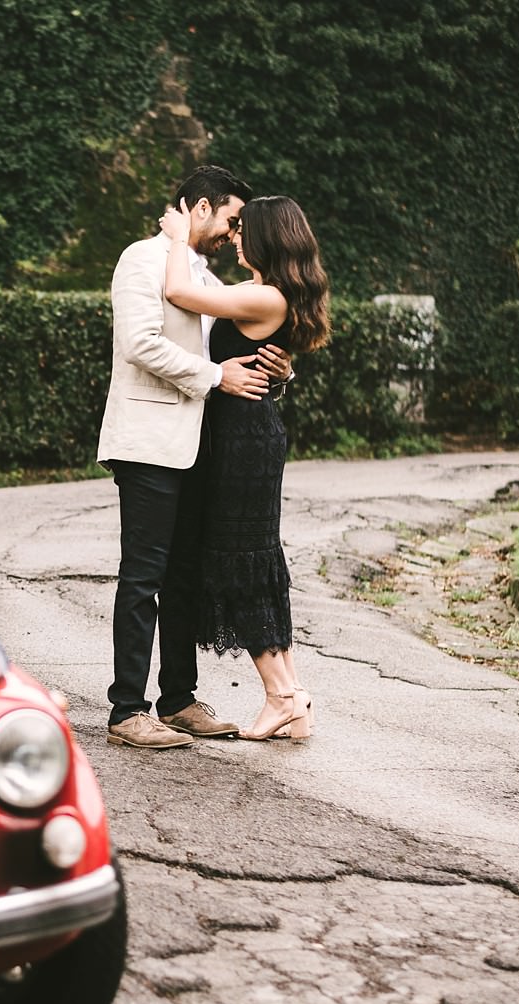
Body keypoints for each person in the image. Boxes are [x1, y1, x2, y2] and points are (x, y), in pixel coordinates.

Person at [97, 165, 290, 750]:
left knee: (185, 576)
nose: (235, 233)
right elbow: (141, 344)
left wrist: (277, 372)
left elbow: (234, 349)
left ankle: (178, 700)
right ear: (200, 207)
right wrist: (215, 377)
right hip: (149, 441)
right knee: (144, 576)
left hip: (199, 444)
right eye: (231, 218)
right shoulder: (142, 259)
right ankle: (127, 710)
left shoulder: (200, 273)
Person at [157, 193, 330, 740]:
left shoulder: (264, 296)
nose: (234, 237)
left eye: (243, 230)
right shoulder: (264, 294)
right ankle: (293, 695)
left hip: (242, 441)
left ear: (266, 239)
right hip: (247, 434)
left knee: (240, 562)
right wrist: (284, 373)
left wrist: (177, 239)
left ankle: (280, 695)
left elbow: (179, 292)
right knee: (255, 559)